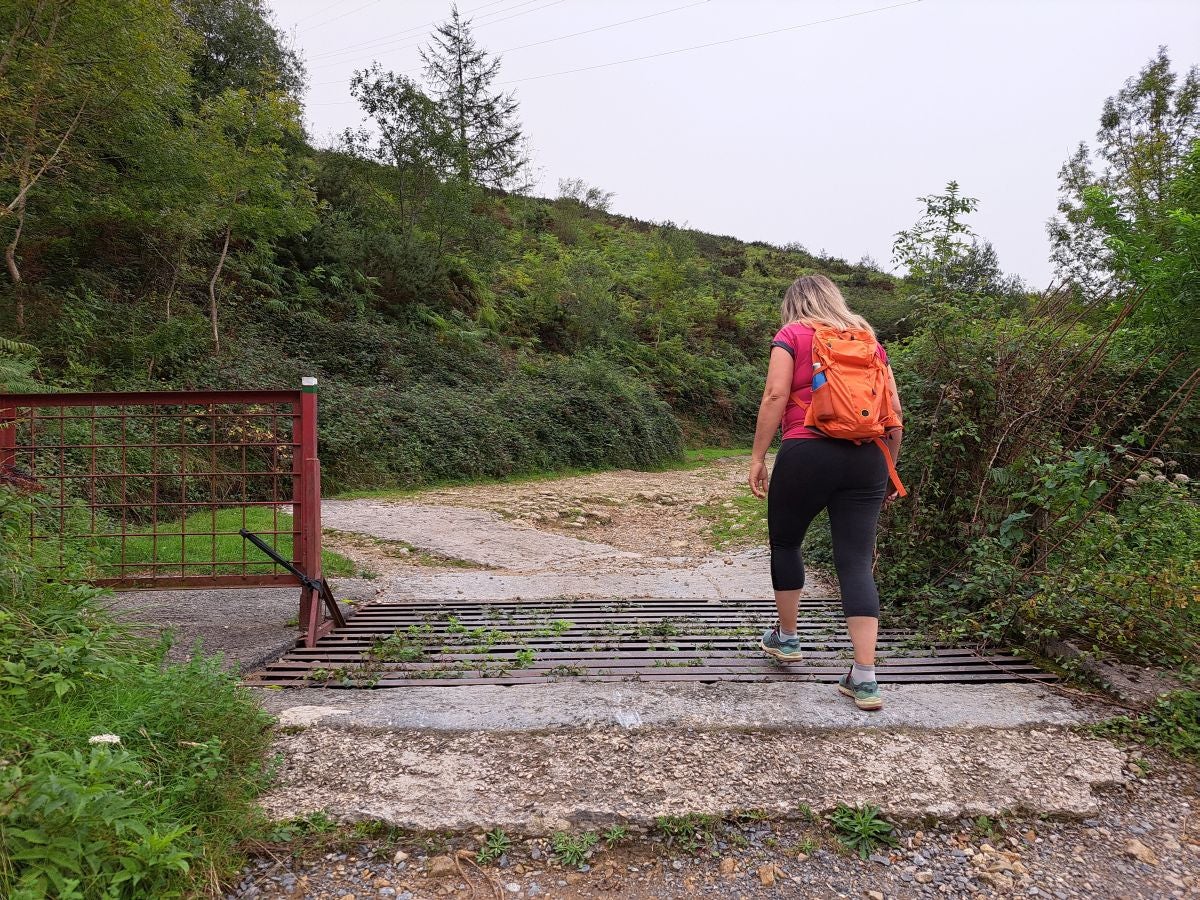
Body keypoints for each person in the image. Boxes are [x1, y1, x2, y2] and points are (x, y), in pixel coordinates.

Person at [747, 274, 903, 711]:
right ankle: (865, 678)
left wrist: (759, 456)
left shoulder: (792, 335)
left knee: (786, 541)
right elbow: (894, 413)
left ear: (793, 304)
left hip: (807, 450)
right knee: (855, 562)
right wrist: (889, 466)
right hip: (867, 456)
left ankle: (788, 638)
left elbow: (776, 394)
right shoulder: (868, 340)